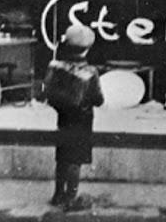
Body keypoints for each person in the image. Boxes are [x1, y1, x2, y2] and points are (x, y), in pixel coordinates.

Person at [41, 24, 104, 211]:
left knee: (62, 158)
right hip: (83, 120)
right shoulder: (91, 73)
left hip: (63, 117)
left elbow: (47, 91)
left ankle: (57, 194)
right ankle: (71, 197)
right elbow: (99, 100)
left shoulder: (55, 66)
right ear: (88, 48)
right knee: (76, 161)